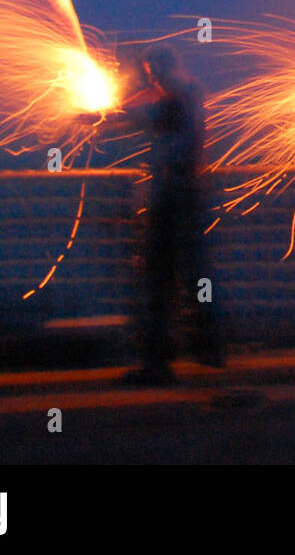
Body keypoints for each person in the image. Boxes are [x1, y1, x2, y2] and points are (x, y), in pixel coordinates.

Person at [95, 45, 222, 384]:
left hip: (174, 196)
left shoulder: (180, 96)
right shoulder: (181, 91)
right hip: (182, 194)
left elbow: (155, 112)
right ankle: (205, 347)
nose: (151, 78)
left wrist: (113, 115)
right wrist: (116, 111)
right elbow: (150, 103)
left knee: (160, 276)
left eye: (154, 72)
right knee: (192, 272)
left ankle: (163, 359)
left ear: (166, 69)